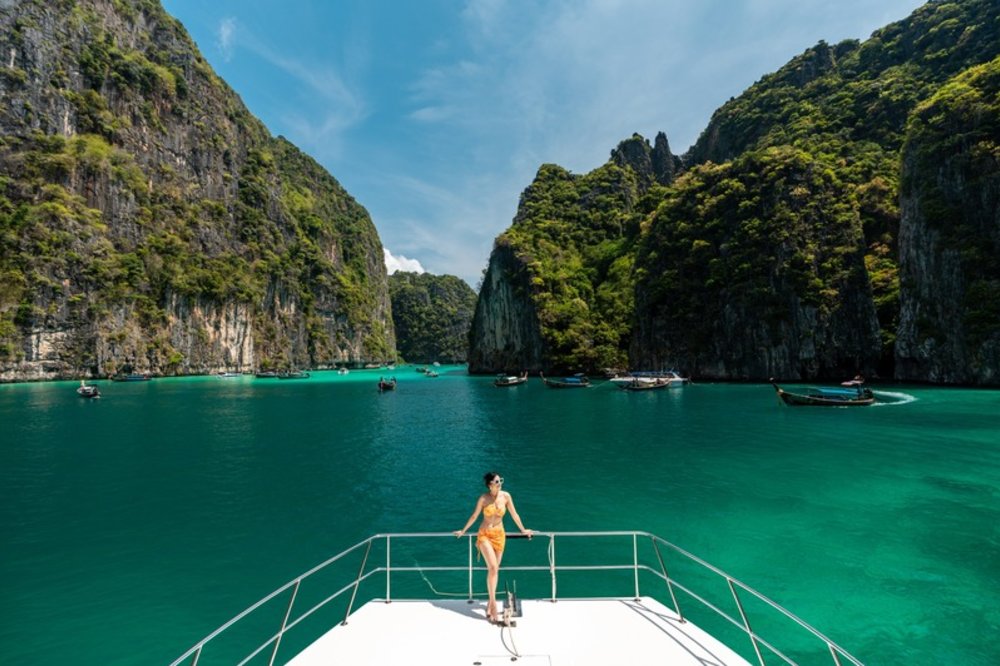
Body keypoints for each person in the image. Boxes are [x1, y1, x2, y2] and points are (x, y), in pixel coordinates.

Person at [454, 471, 533, 623]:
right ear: (490, 485)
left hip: (499, 536)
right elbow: (474, 516)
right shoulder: (484, 498)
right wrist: (463, 531)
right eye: (497, 481)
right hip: (485, 535)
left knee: (495, 570)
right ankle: (494, 604)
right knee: (493, 568)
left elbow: (514, 514)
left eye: (500, 480)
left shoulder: (506, 496)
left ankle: (490, 602)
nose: (500, 483)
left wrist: (523, 530)